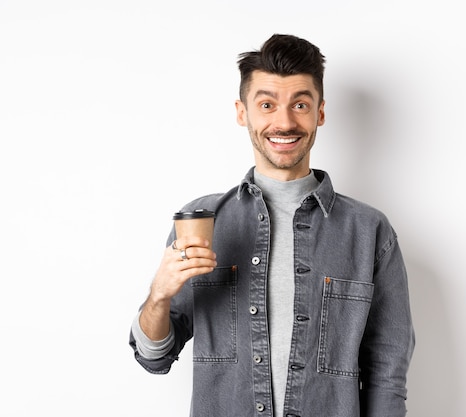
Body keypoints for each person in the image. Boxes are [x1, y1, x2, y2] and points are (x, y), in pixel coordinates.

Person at [129, 33, 415, 417]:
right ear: (242, 112)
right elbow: (154, 358)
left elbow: (388, 372)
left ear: (321, 112)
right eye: (267, 104)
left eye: (300, 104)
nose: (284, 121)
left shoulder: (369, 232)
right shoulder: (201, 221)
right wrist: (160, 294)